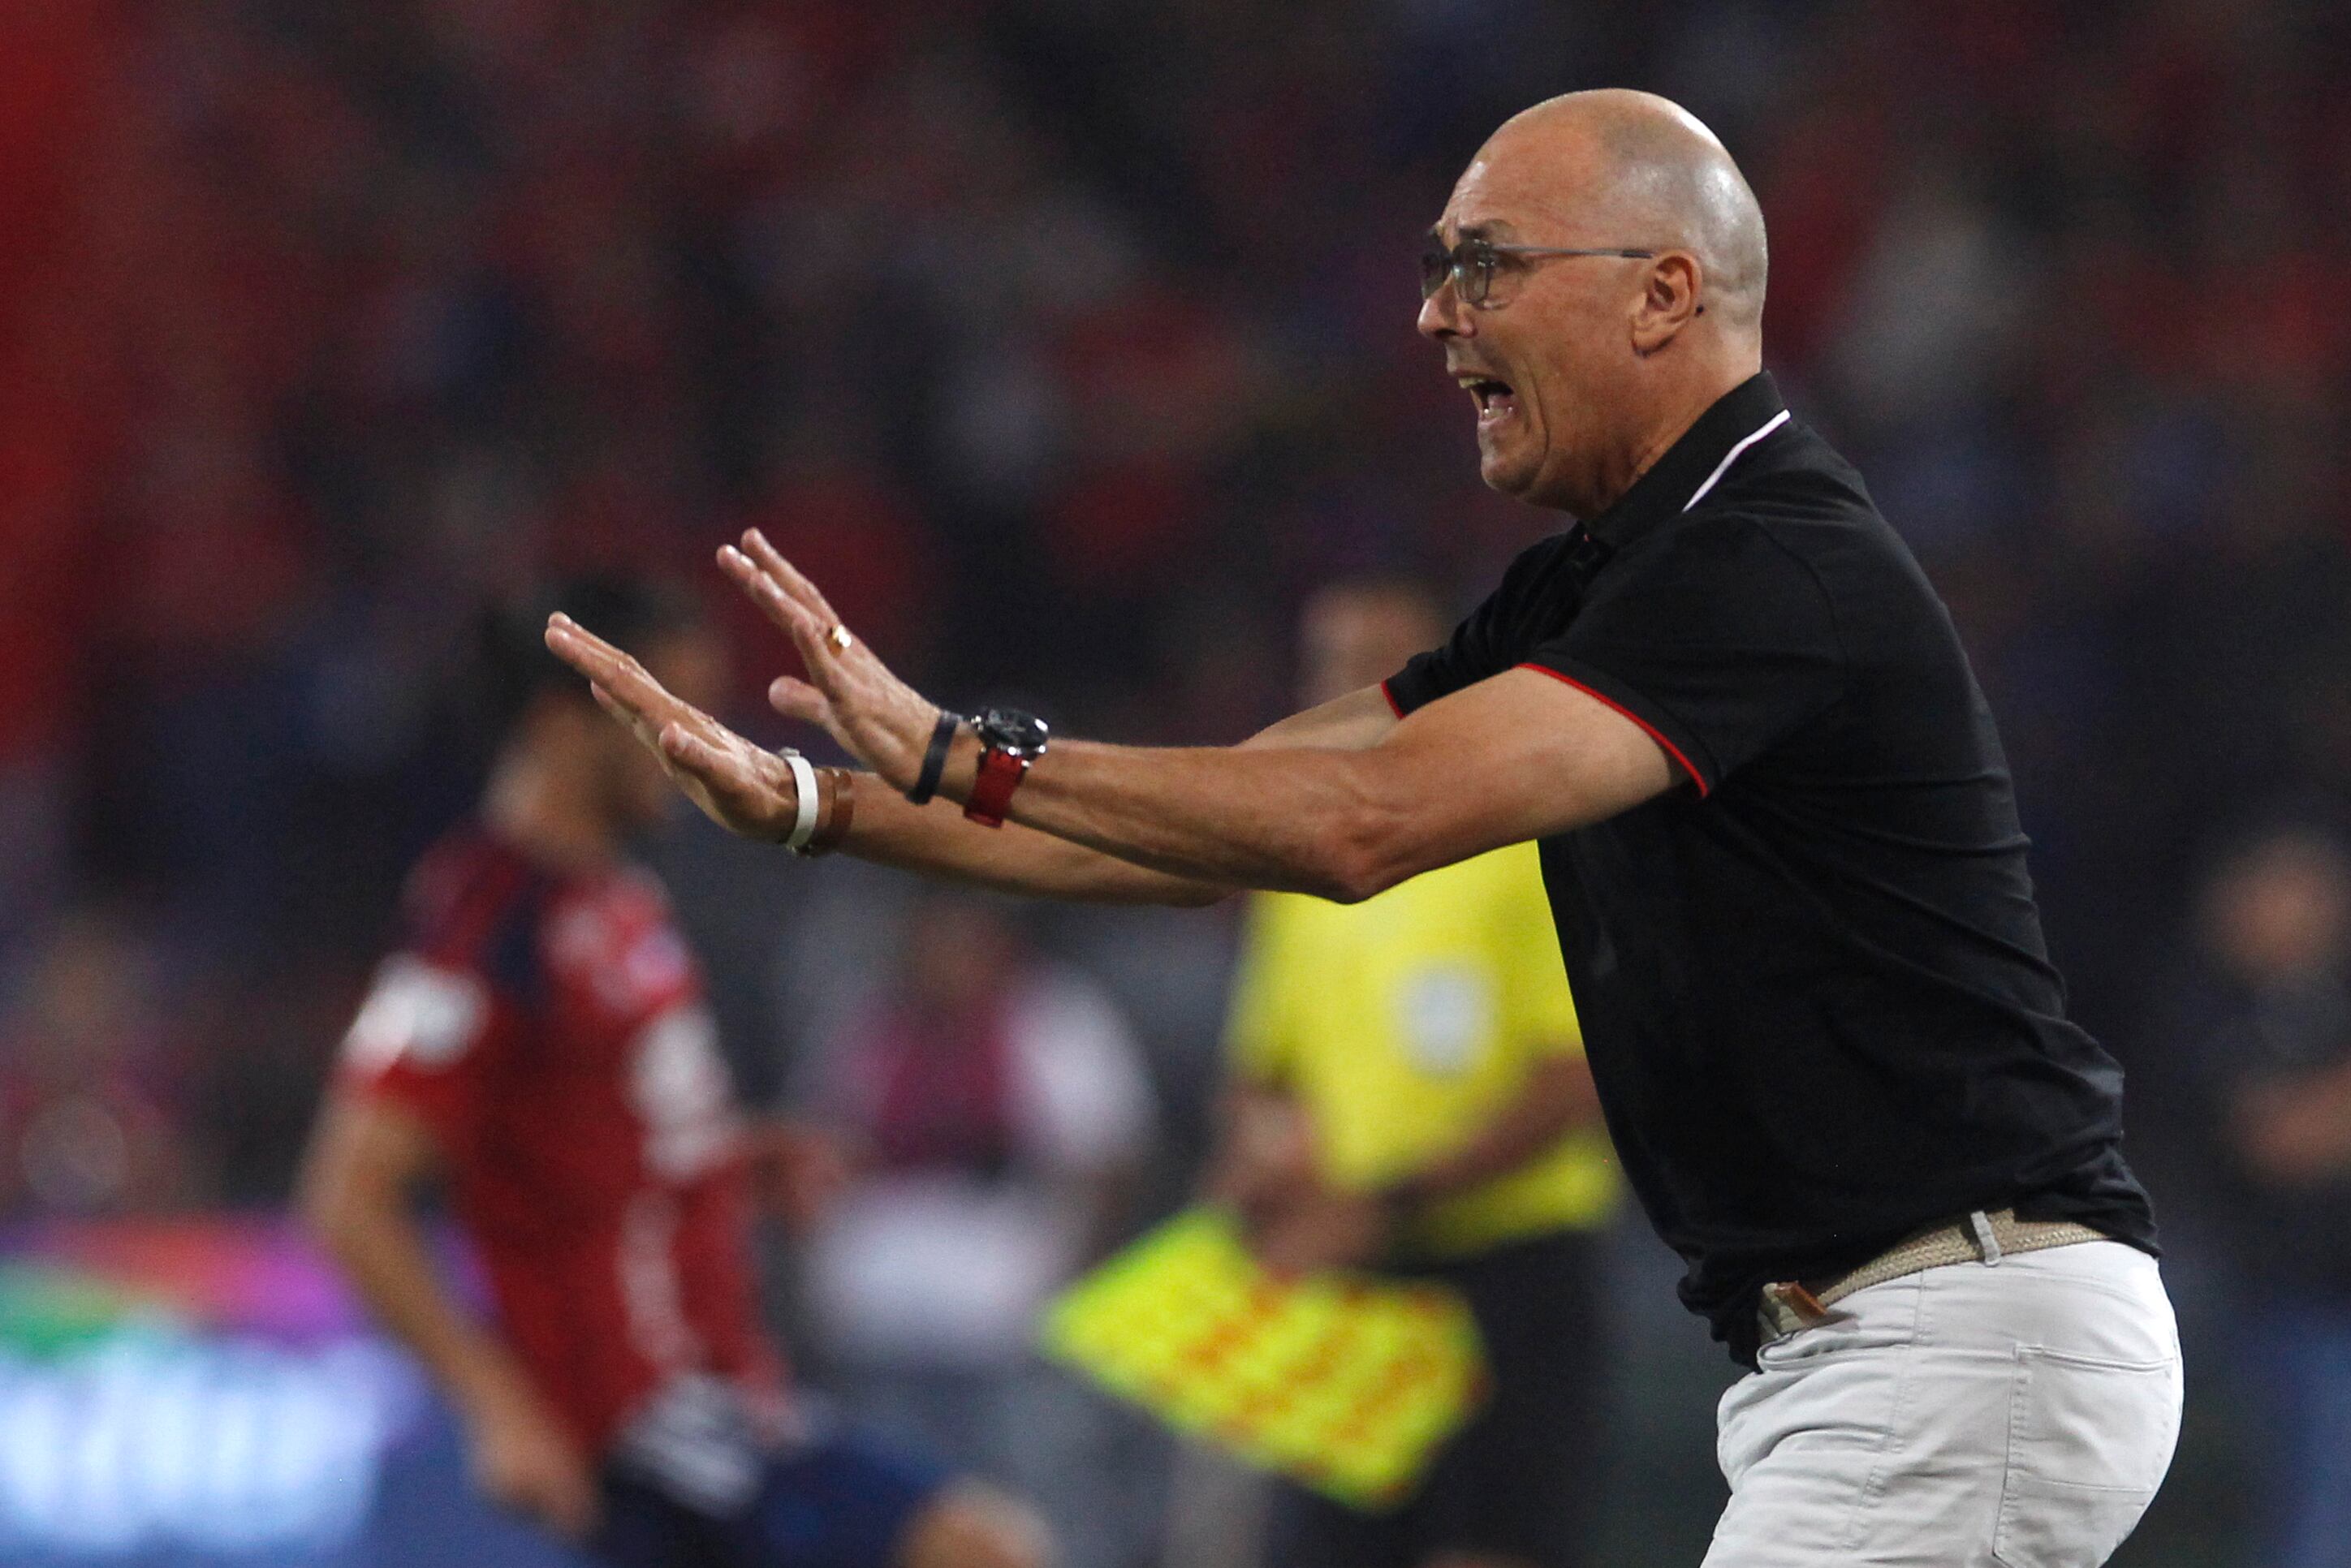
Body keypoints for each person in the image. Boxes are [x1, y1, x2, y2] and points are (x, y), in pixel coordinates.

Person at [546, 88, 2181, 1567]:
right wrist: (829, 807)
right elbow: (1220, 821)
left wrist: (968, 756)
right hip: (1884, 1348)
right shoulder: (1598, 585)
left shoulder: (1766, 563)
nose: (1429, 314)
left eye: (1482, 265)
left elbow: (1354, 822)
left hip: (1959, 1339)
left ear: (1661, 290)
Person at [300, 579, 1046, 1568]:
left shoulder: (617, 898)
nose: (700, 743)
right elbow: (349, 1198)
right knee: (979, 1552)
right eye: (667, 713)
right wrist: (499, 1410)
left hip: (726, 1387)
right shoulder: (489, 922)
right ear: (565, 723)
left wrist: (726, 1162)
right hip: (641, 1420)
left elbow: (584, 1148)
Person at [1209, 577, 1616, 1568]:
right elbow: (1264, 1074)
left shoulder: (1524, 839)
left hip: (1507, 1270)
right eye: (1327, 667)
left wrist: (1385, 1201)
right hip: (1353, 1285)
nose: (1345, 692)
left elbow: (1576, 1078)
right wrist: (1260, 1167)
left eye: (1375, 668)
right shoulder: (1299, 868)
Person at [796, 889, 1158, 1568]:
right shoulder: (865, 1023)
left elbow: (1112, 1157)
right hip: (883, 1324)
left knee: (1041, 1514)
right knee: (894, 1522)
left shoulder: (1051, 1019)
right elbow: (818, 1153)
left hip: (1008, 1323)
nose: (947, 957)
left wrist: (1074, 1275)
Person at [2178, 821, 2351, 1568]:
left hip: (2323, 1291)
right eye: (2279, 886)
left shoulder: (2325, 999)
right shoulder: (2204, 1007)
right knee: (2310, 1519)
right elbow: (2283, 1144)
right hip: (2267, 1301)